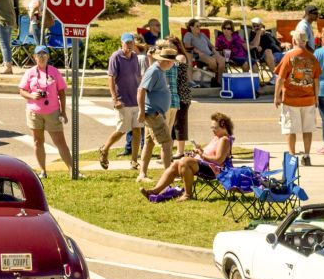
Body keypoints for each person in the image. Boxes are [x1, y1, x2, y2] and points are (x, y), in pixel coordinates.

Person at [143, 112, 234, 202]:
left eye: (215, 127)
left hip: (215, 170)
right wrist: (198, 153)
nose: (212, 130)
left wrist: (201, 155)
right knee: (176, 164)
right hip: (207, 165)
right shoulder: (217, 137)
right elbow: (208, 154)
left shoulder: (224, 140)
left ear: (223, 126)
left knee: (184, 161)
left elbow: (218, 160)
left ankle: (188, 194)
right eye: (212, 127)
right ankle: (155, 191)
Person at [19, 46, 73, 179]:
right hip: (34, 112)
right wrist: (32, 96)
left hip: (52, 112)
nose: (42, 56)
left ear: (48, 57)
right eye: (39, 54)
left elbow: (62, 93)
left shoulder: (54, 72)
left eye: (44, 54)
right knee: (38, 141)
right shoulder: (30, 72)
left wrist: (63, 112)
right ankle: (43, 171)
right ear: (34, 57)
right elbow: (21, 90)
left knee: (60, 142)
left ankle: (72, 170)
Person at [273, 29, 319, 165]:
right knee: (307, 129)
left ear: (294, 40)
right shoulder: (312, 57)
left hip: (291, 99)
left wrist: (277, 96)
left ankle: (292, 156)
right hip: (309, 98)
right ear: (305, 41)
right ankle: (306, 155)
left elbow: (280, 78)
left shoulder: (288, 57)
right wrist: (316, 97)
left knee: (290, 129)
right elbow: (316, 79)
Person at [98, 33, 143, 170]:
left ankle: (134, 161)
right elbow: (111, 78)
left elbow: (138, 76)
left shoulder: (135, 57)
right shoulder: (116, 57)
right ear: (122, 43)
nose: (129, 45)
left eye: (131, 43)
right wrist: (115, 99)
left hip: (135, 99)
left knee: (137, 130)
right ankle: (105, 149)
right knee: (122, 130)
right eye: (127, 43)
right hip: (122, 100)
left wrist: (143, 93)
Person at [137, 46, 178, 181]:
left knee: (149, 144)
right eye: (172, 62)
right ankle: (168, 174)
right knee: (167, 143)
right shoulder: (154, 71)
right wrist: (142, 111)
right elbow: (141, 90)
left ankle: (142, 174)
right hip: (152, 113)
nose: (173, 65)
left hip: (156, 113)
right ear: (167, 62)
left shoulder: (159, 70)